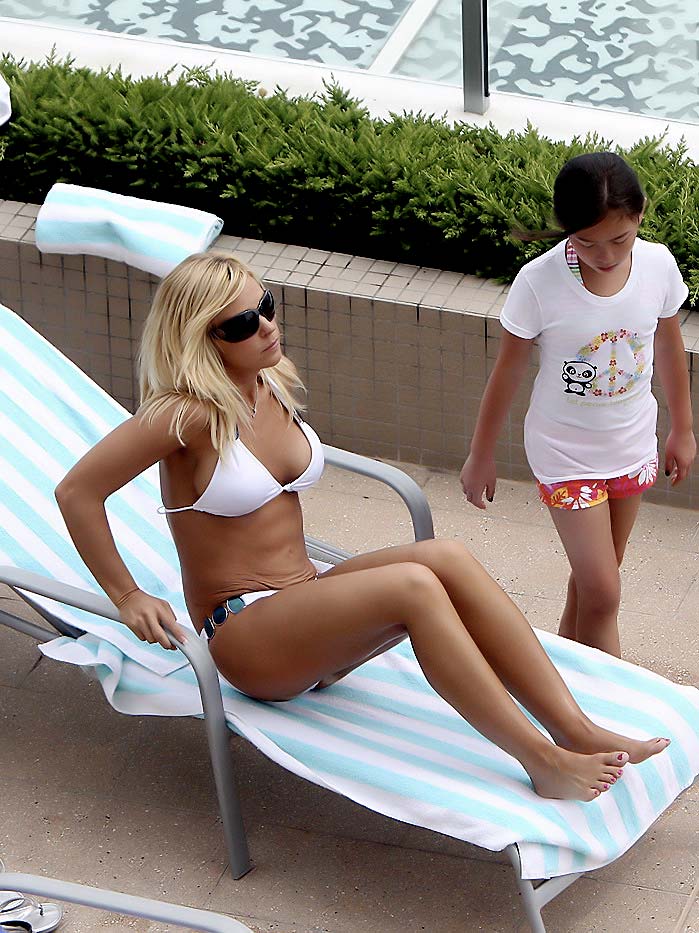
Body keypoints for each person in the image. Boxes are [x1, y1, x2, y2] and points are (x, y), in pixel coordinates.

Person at [55, 250, 669, 803]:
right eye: (241, 324)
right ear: (200, 339)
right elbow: (78, 491)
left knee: (447, 557)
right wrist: (128, 595)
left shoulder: (266, 382)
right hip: (247, 636)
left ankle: (575, 729)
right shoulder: (185, 414)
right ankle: (542, 761)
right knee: (413, 586)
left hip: (306, 609)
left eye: (265, 306)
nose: (266, 326)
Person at [460, 152, 695, 658]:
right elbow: (507, 372)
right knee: (604, 592)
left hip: (632, 444)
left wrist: (683, 428)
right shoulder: (539, 282)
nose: (604, 255)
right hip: (565, 455)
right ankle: (603, 701)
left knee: (595, 582)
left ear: (640, 214)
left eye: (619, 239)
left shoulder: (658, 265)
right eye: (586, 242)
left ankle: (561, 671)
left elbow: (669, 346)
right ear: (566, 227)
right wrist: (481, 454)